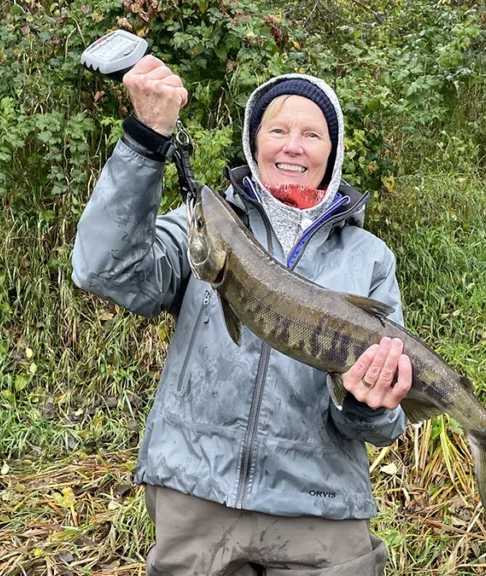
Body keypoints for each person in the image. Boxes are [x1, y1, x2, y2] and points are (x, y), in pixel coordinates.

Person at [72, 55, 413, 575]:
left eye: (312, 134)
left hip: (320, 505)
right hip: (197, 494)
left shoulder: (370, 258)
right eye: (277, 130)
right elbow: (103, 269)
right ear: (255, 143)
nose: (293, 145)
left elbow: (386, 426)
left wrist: (369, 405)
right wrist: (145, 140)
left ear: (334, 151)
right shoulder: (202, 227)